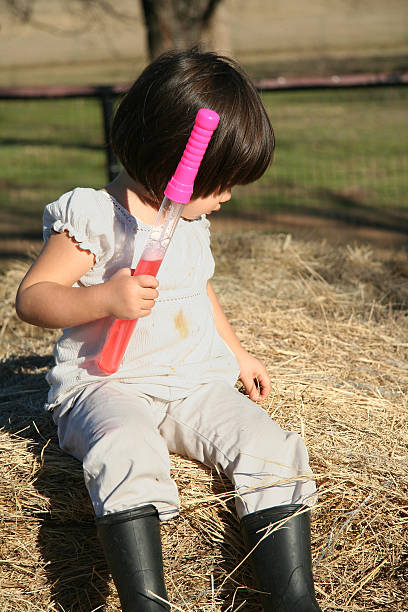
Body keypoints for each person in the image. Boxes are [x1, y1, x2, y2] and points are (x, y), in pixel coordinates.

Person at [16, 48, 321, 612]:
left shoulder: (187, 220)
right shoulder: (94, 217)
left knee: (268, 446)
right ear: (173, 163)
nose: (228, 196)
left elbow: (197, 288)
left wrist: (237, 352)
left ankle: (294, 599)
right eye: (221, 182)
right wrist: (105, 298)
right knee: (129, 449)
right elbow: (32, 298)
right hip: (106, 385)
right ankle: (146, 602)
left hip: (191, 384)